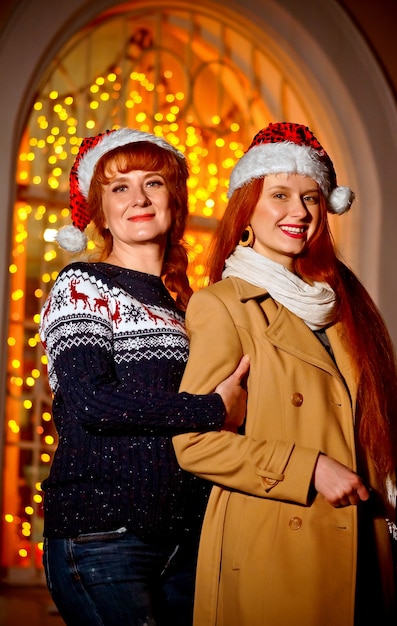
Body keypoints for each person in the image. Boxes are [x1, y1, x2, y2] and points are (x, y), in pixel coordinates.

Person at [173, 122, 397, 626]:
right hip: (273, 551)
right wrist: (309, 468)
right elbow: (193, 443)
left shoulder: (346, 304)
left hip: (366, 550)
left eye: (311, 198)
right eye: (279, 194)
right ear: (247, 208)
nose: (298, 212)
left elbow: (387, 438)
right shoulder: (223, 305)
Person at [38, 127, 249, 626]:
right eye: (119, 187)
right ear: (101, 213)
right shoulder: (81, 286)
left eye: (153, 183)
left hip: (186, 538)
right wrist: (214, 409)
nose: (138, 198)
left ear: (174, 202)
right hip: (104, 536)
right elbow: (92, 402)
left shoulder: (190, 305)